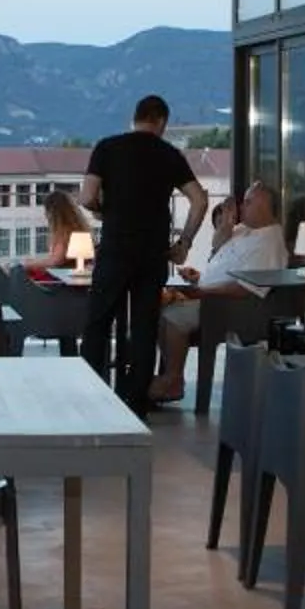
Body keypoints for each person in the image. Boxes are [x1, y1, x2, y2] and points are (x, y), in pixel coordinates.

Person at [78, 94, 206, 412]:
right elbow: (199, 200)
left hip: (116, 248)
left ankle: (93, 398)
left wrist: (105, 212)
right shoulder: (169, 154)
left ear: (135, 118)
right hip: (153, 252)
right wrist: (184, 243)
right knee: (145, 327)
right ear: (161, 121)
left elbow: (86, 196)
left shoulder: (107, 147)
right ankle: (136, 403)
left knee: (98, 323)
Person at [152, 181, 283, 401]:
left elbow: (244, 289)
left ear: (265, 207)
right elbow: (219, 251)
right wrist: (224, 229)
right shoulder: (244, 229)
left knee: (174, 317)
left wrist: (203, 292)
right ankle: (169, 377)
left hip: (228, 307)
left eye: (249, 202)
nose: (242, 206)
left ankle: (173, 380)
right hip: (209, 294)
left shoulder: (269, 241)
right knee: (158, 310)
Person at [31, 188, 94, 277]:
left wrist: (29, 264)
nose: (45, 214)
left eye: (46, 210)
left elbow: (55, 261)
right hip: (68, 275)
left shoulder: (65, 231)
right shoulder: (78, 228)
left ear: (53, 212)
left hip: (63, 277)